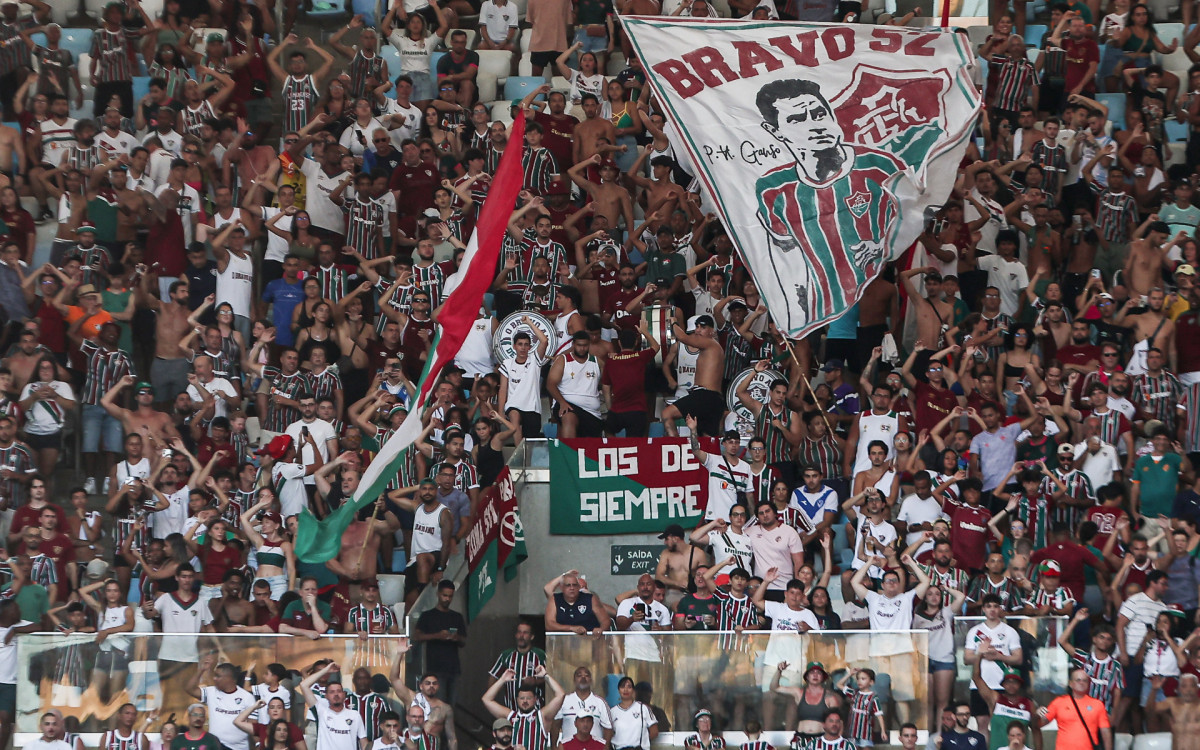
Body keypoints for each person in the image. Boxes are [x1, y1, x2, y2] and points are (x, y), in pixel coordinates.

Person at [481, 666, 567, 750]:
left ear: (535, 699)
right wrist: (502, 680)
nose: (525, 701)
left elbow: (560, 695)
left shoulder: (542, 716)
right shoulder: (510, 715)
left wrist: (545, 676)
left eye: (528, 698)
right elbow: (486, 699)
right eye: (522, 698)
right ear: (517, 700)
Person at [1037, 669, 1113, 750]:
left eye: (1085, 680)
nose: (1081, 683)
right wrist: (1038, 714)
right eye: (1078, 680)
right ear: (1071, 683)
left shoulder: (1097, 705)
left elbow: (1105, 733)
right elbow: (1040, 723)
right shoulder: (1059, 702)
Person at [301, 663, 369, 750]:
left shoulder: (354, 715)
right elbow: (304, 685)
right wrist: (326, 670)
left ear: (344, 694)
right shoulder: (321, 712)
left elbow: (363, 743)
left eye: (339, 691)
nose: (336, 694)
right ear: (326, 696)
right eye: (332, 692)